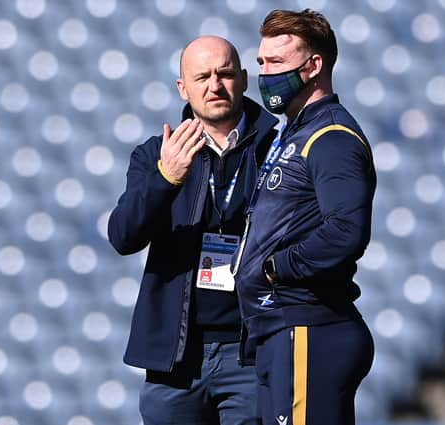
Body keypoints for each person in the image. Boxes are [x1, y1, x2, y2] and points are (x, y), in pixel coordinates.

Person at [107, 35, 279, 425]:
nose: (214, 85)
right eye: (202, 77)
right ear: (183, 88)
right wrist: (166, 178)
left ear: (244, 79)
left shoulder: (279, 148)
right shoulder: (156, 153)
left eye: (225, 73)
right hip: (177, 358)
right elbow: (122, 235)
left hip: (251, 354)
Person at [232, 9, 376, 425]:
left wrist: (278, 268)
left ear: (313, 66)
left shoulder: (330, 138)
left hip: (308, 328)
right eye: (260, 63)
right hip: (278, 329)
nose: (265, 73)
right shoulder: (290, 133)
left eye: (276, 63)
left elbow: (346, 230)